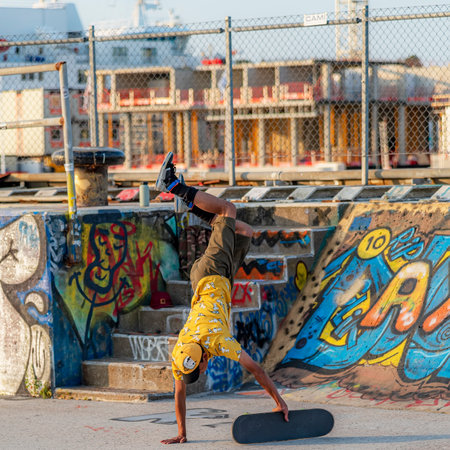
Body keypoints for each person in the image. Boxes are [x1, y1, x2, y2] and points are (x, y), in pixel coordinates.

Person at [155, 152, 289, 445]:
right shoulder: (182, 352)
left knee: (228, 210)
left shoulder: (215, 340)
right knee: (244, 231)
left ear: (203, 356)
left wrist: (278, 400)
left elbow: (254, 368)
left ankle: (173, 186)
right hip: (215, 277)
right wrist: (182, 433)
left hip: (212, 271)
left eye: (201, 367)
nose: (203, 370)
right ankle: (190, 201)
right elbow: (179, 391)